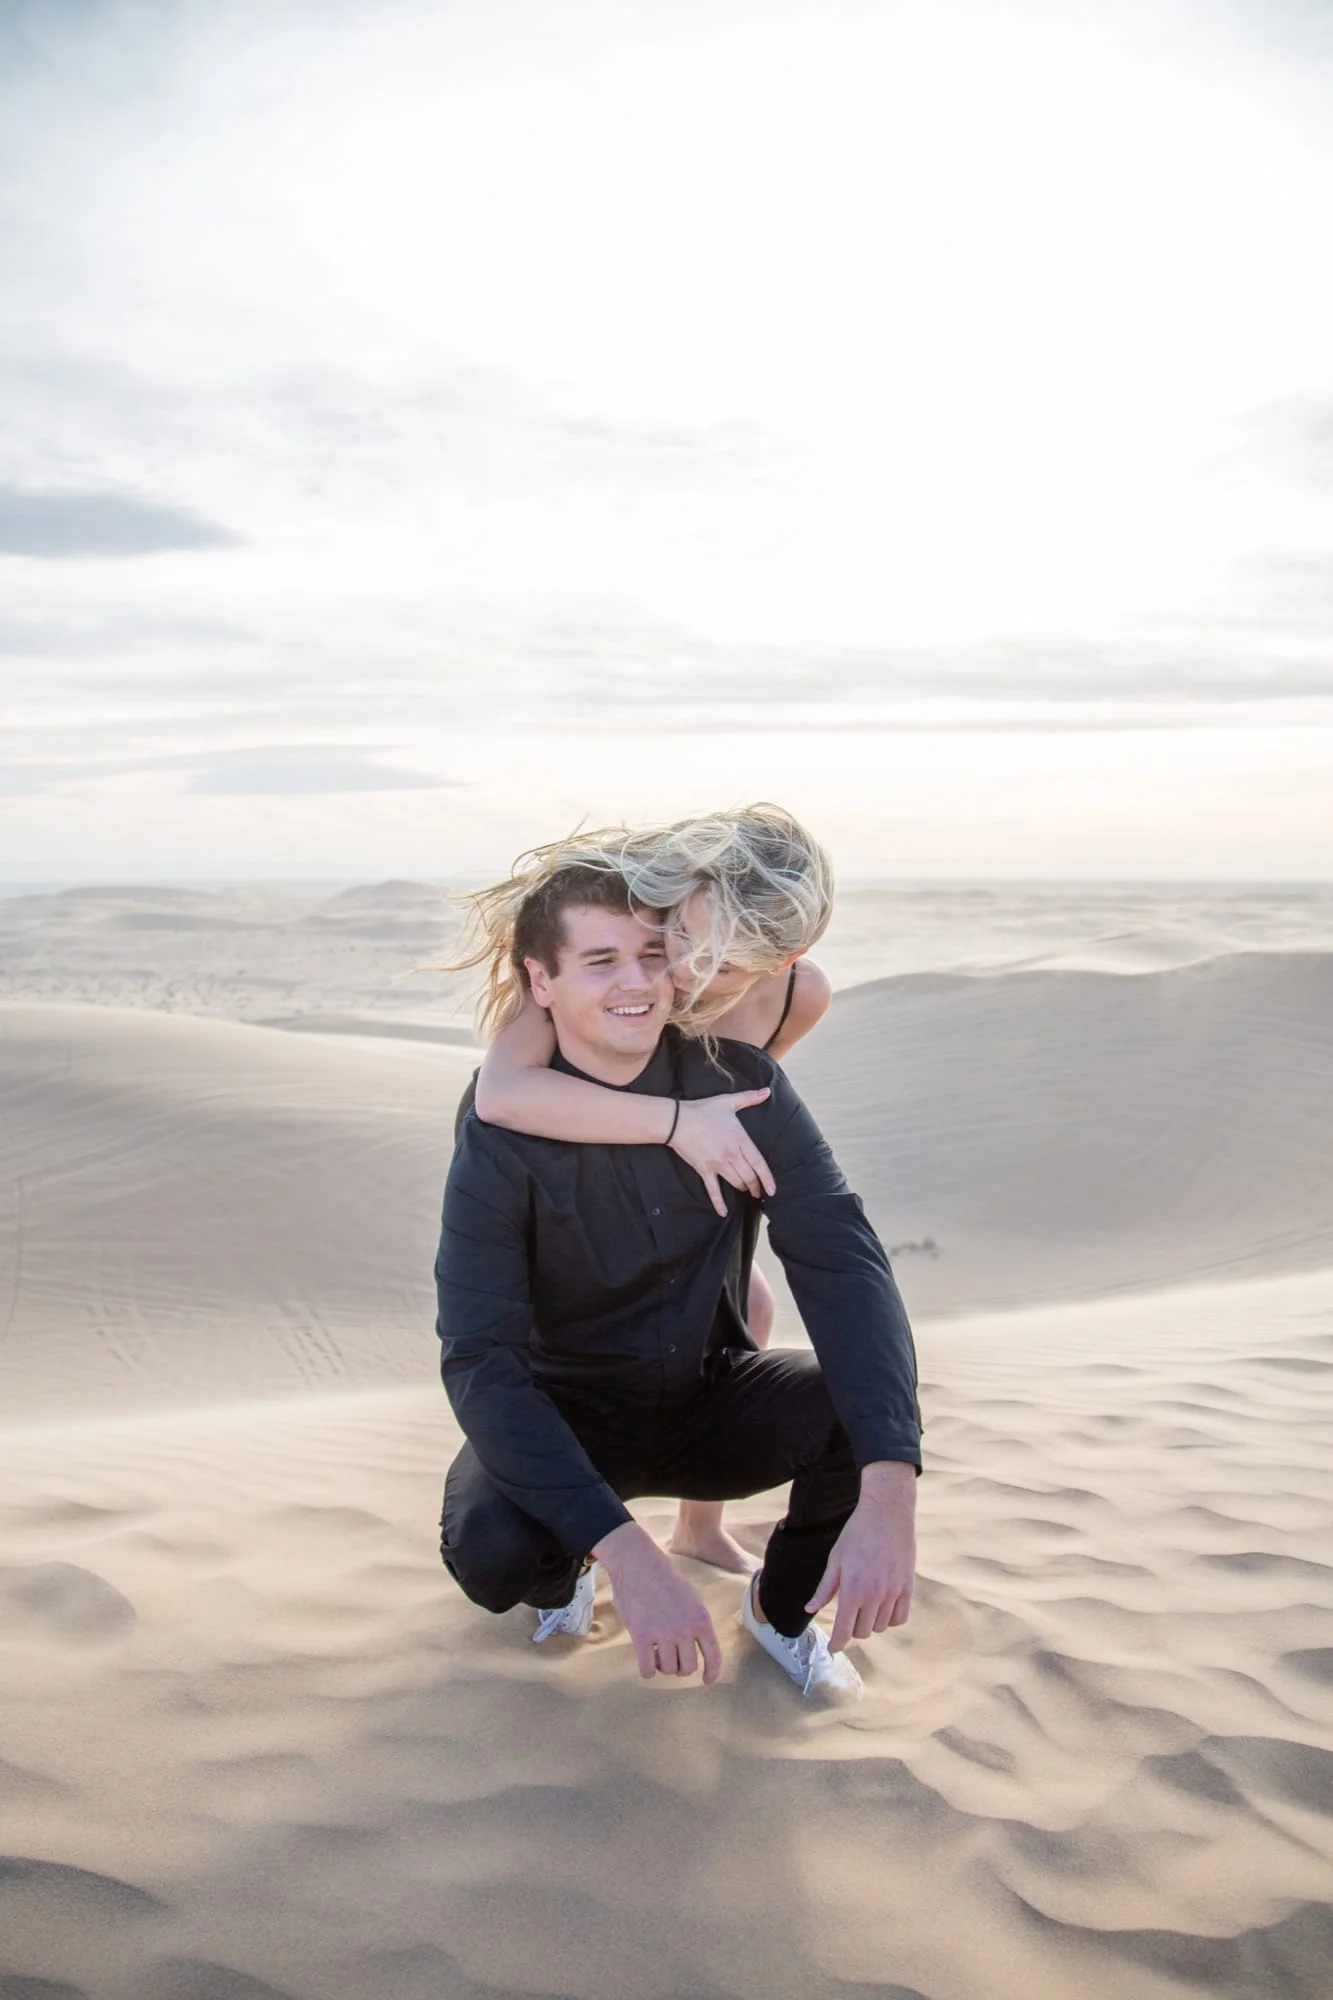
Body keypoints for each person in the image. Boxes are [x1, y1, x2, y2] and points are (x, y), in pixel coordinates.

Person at [434, 860, 921, 1697]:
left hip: (708, 1393)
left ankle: (780, 1612)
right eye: (600, 962)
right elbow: (480, 1358)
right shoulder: (505, 1116)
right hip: (570, 1409)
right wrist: (626, 1553)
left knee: (867, 1411)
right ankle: (568, 1574)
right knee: (491, 1549)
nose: (637, 983)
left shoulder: (743, 1082)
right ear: (540, 982)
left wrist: (890, 1489)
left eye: (655, 956)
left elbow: (842, 1262)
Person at [460, 804, 835, 1574]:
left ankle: (699, 1527)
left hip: (705, 1162)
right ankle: (575, 1510)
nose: (693, 974)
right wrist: (672, 1122)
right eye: (688, 942)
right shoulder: (630, 933)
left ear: (782, 957)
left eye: (726, 966)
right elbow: (501, 1095)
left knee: (749, 1305)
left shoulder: (798, 994)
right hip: (584, 1141)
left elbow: (751, 1095)